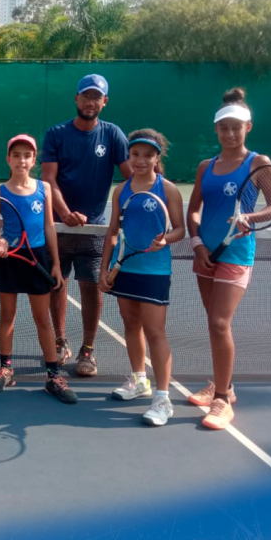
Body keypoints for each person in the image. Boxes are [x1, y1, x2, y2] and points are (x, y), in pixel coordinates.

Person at [186, 87, 271, 430]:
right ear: (216, 130)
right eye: (224, 128)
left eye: (237, 127)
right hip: (205, 254)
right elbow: (193, 210)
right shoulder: (205, 167)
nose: (230, 134)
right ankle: (224, 384)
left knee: (220, 323)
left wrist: (250, 217)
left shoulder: (258, 163)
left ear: (247, 127)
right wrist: (197, 244)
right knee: (213, 322)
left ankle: (222, 398)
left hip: (236, 252)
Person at [41, 74, 131, 377]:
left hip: (95, 231)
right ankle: (60, 341)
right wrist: (65, 213)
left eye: (97, 97)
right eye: (86, 96)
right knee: (57, 284)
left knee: (92, 288)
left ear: (104, 102)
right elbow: (48, 180)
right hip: (59, 228)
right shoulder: (56, 134)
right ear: (76, 99)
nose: (90, 102)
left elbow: (133, 176)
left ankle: (88, 350)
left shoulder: (113, 134)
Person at [98, 129, 185, 426]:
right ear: (129, 156)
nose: (141, 160)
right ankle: (139, 380)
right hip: (125, 268)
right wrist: (104, 269)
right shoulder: (120, 191)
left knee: (155, 332)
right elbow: (112, 232)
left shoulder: (168, 189)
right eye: (135, 154)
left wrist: (166, 239)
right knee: (131, 325)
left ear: (157, 158)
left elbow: (180, 229)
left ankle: (163, 398)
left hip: (154, 271)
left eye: (148, 155)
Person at [0, 134, 76, 403]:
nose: (21, 160)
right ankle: (6, 369)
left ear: (34, 160)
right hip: (9, 259)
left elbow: (49, 227)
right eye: (16, 155)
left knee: (42, 319)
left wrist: (56, 264)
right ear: (8, 159)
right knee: (7, 316)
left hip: (38, 258)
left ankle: (53, 376)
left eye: (27, 155)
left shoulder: (44, 188)